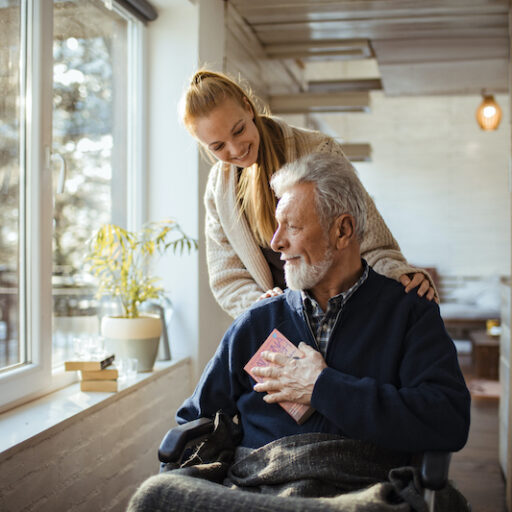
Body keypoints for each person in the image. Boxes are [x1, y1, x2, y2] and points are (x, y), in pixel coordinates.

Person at [127, 153, 470, 512]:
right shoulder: (258, 321)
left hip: (360, 491)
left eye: (292, 226)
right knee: (156, 494)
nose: (276, 243)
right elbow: (194, 419)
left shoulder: (409, 314)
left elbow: (448, 421)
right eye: (276, 226)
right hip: (258, 489)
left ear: (343, 230)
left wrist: (322, 387)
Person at [180, 69, 438, 319]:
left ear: (248, 107)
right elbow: (227, 277)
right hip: (277, 322)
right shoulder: (218, 189)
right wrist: (261, 307)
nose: (236, 149)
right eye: (218, 146)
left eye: (238, 130)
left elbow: (367, 235)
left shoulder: (318, 149)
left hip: (343, 311)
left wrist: (399, 273)